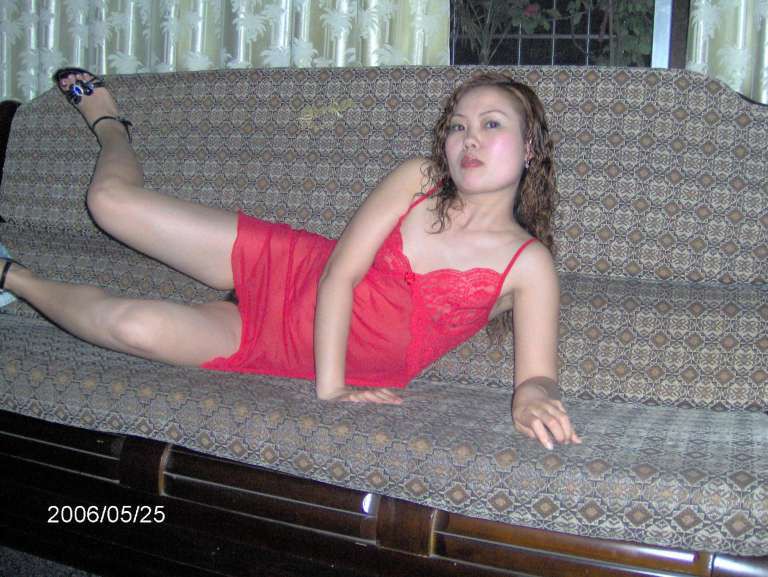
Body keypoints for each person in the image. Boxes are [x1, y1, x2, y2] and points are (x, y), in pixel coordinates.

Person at [0, 68, 580, 450]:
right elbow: (340, 274)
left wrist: (533, 397)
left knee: (133, 327)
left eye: (491, 124)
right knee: (108, 203)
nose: (469, 139)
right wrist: (331, 388)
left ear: (530, 148)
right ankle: (110, 125)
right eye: (457, 126)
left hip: (276, 347)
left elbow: (536, 373)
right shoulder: (419, 179)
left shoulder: (528, 264)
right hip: (289, 269)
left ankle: (11, 276)